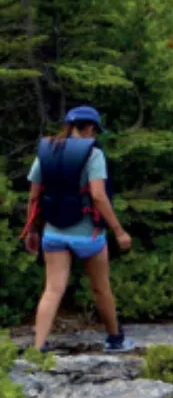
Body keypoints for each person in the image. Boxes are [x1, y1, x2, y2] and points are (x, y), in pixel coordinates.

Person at [21, 106, 135, 353]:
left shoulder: (46, 151)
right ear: (91, 128)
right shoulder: (93, 155)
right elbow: (98, 196)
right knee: (101, 289)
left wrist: (31, 230)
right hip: (88, 235)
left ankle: (37, 349)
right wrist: (118, 231)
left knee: (52, 290)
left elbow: (34, 198)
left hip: (52, 233)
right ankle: (115, 340)